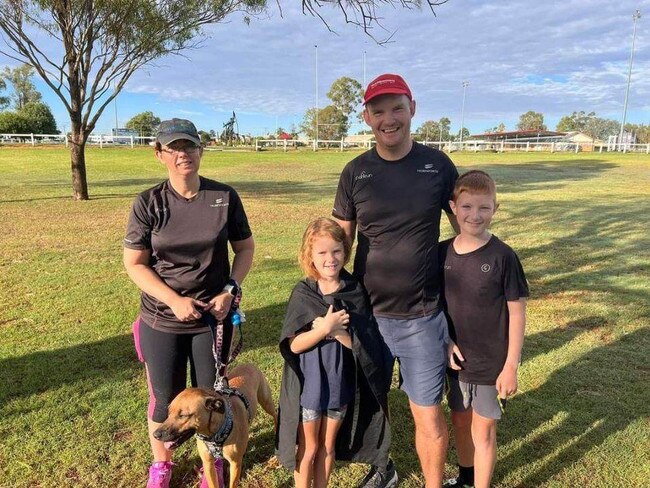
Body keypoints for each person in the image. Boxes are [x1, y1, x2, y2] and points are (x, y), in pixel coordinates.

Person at [332, 73, 459, 488]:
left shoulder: (437, 165)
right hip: (368, 316)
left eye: (397, 108)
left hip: (423, 316)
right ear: (367, 116)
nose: (389, 118)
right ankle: (382, 468)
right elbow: (340, 242)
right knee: (372, 402)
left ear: (412, 109)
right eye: (379, 110)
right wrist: (324, 293)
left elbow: (465, 234)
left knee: (427, 411)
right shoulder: (355, 172)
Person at [123, 118, 254, 488]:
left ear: (201, 150)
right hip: (161, 319)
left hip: (212, 321)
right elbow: (135, 263)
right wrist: (173, 299)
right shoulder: (148, 202)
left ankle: (210, 460)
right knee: (165, 400)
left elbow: (244, 249)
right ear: (159, 154)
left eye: (190, 146)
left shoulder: (224, 196)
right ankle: (162, 465)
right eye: (174, 148)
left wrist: (230, 288)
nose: (183, 154)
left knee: (210, 397)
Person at [276, 217, 392, 488]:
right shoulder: (304, 292)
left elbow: (365, 348)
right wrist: (322, 329)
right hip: (310, 388)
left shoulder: (354, 291)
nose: (331, 258)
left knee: (328, 447)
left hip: (339, 385)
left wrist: (338, 332)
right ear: (310, 256)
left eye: (337, 251)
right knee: (308, 447)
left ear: (345, 251)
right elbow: (292, 345)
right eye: (322, 253)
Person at [439, 170, 528, 488]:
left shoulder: (503, 256)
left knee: (483, 431)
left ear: (495, 208)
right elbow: (437, 306)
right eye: (466, 207)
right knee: (461, 421)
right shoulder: (442, 252)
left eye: (483, 207)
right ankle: (466, 477)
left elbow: (517, 314)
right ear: (453, 206)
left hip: (491, 364)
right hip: (456, 362)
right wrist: (446, 341)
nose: (474, 215)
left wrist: (510, 366)